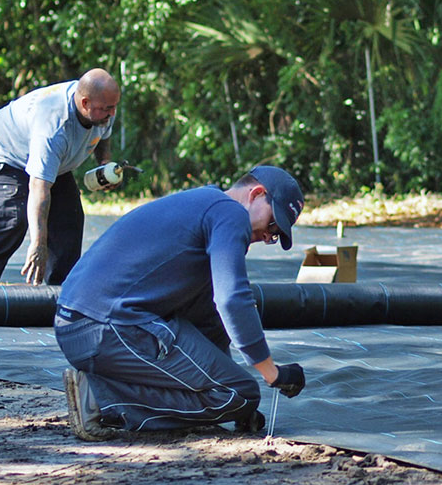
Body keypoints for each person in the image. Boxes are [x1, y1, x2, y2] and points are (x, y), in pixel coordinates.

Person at [55, 165, 307, 441]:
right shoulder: (230, 213)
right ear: (256, 194)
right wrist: (272, 373)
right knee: (239, 394)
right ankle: (103, 399)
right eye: (272, 224)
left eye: (275, 236)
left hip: (80, 323)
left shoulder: (203, 203)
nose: (268, 237)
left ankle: (103, 389)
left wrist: (230, 386)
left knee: (229, 379)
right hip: (105, 327)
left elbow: (211, 316)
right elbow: (232, 299)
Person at [0, 68, 121, 286]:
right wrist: (38, 244)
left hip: (51, 160)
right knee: (14, 218)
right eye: (108, 109)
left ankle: (59, 293)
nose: (112, 113)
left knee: (69, 219)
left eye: (114, 107)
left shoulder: (103, 106)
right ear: (85, 103)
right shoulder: (54, 126)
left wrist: (104, 162)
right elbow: (39, 187)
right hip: (4, 154)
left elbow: (103, 134)